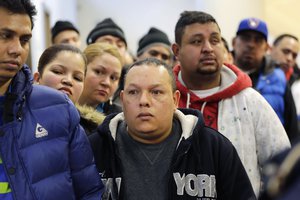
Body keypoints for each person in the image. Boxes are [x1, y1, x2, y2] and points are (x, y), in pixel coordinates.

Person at [89, 58, 256, 199]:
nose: (144, 101)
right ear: (122, 100)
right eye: (133, 92)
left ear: (175, 100)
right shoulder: (94, 148)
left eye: (156, 92)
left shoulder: (214, 147)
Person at [171, 11, 290, 197]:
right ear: (177, 51)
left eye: (215, 40)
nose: (208, 48)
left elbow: (284, 169)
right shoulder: (164, 100)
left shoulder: (251, 101)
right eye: (196, 41)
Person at [0, 0, 103, 199]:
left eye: (24, 40)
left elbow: (89, 191)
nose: (17, 50)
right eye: (5, 36)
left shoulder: (59, 109)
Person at [232, 18, 299, 144]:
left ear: (267, 47)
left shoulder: (279, 79)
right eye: (246, 38)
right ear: (234, 42)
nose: (251, 45)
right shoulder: (220, 76)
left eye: (258, 40)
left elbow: (292, 129)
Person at [33, 44, 104, 135]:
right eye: (57, 72)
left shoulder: (94, 133)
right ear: (37, 78)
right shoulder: (15, 119)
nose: (68, 81)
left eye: (77, 78)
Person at [78, 42, 123, 115]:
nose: (106, 83)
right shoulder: (58, 105)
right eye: (98, 72)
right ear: (82, 69)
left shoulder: (120, 119)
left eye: (113, 78)